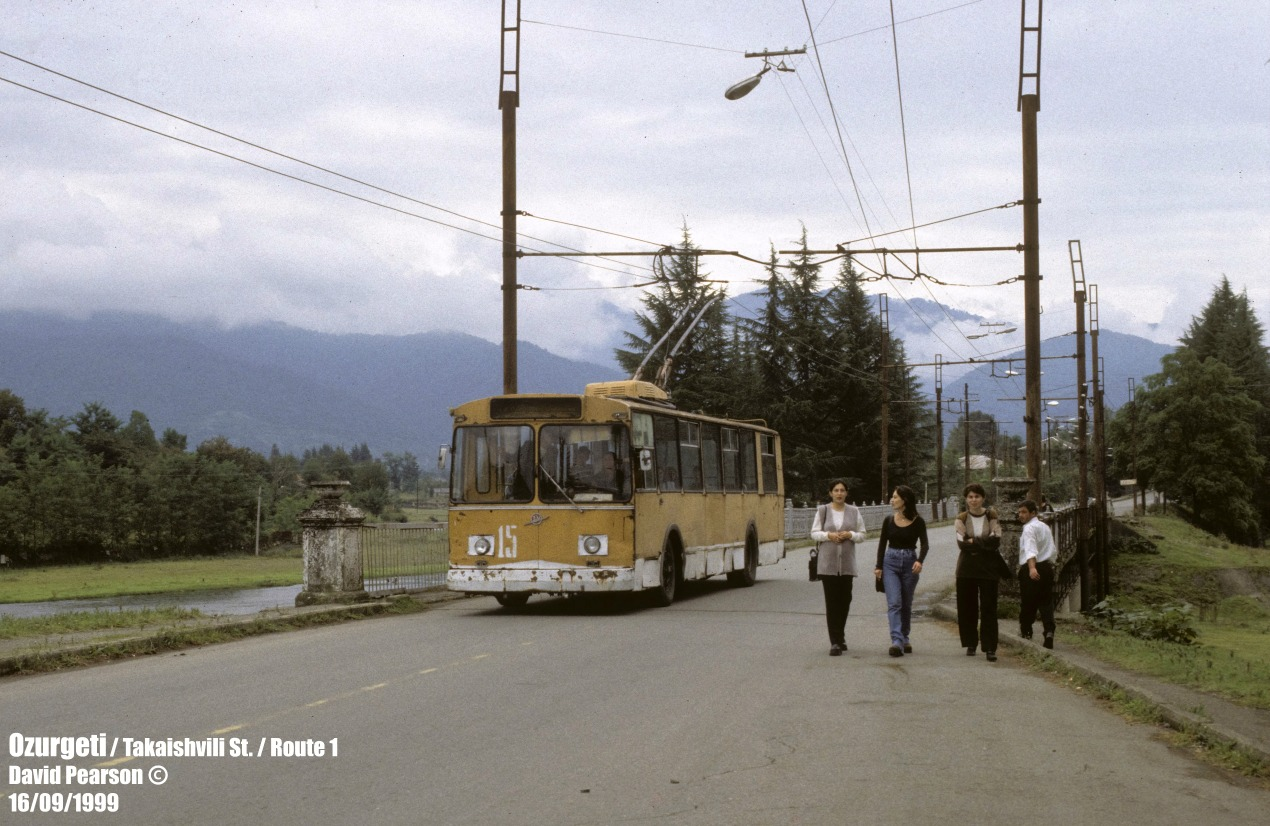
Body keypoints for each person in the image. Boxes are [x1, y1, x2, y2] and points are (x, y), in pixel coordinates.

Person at [809, 479, 866, 656]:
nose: (839, 493)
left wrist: (851, 534)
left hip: (847, 565)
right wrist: (829, 535)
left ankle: (840, 636)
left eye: (842, 490)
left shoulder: (854, 511)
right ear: (830, 493)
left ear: (846, 493)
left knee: (845, 601)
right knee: (832, 603)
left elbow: (863, 535)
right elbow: (814, 533)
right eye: (836, 490)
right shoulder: (823, 511)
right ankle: (834, 642)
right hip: (828, 565)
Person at [954, 484, 1009, 662]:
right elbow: (962, 543)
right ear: (966, 499)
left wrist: (974, 541)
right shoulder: (961, 518)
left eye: (977, 496)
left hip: (988, 569)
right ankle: (971, 643)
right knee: (967, 608)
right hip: (966, 569)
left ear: (983, 498)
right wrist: (984, 541)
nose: (974, 500)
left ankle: (990, 647)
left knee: (988, 608)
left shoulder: (991, 515)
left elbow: (996, 540)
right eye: (970, 497)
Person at [874, 485, 929, 657]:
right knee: (894, 602)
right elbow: (882, 544)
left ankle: (905, 637)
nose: (892, 500)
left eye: (895, 497)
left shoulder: (918, 521)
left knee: (906, 603)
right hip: (890, 562)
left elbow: (925, 544)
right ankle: (896, 641)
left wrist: (920, 561)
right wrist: (878, 566)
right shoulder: (889, 520)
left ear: (904, 500)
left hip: (910, 563)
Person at [1017, 499, 1057, 649]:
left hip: (1032, 567)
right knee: (1046, 601)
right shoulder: (1044, 526)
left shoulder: (1028, 529)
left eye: (1024, 512)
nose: (1020, 515)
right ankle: (1049, 631)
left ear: (1033, 513)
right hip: (1046, 567)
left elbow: (1030, 549)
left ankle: (1026, 631)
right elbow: (1052, 548)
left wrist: (1032, 568)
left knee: (1028, 601)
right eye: (1019, 512)